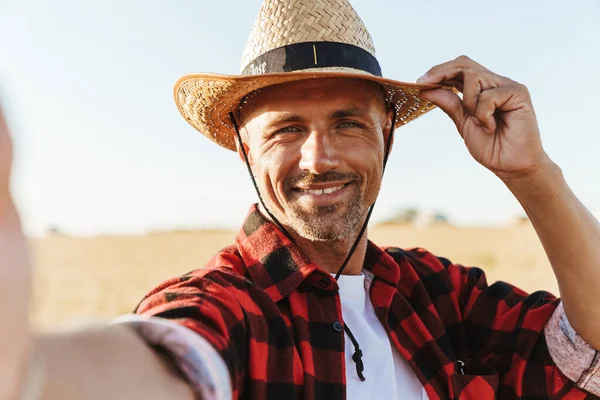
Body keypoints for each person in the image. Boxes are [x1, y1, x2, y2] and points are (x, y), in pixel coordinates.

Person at [1, 0, 600, 399]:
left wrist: (533, 174)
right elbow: (169, 361)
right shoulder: (228, 306)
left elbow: (587, 353)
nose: (321, 160)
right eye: (286, 130)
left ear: (387, 136)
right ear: (244, 150)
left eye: (348, 124)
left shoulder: (437, 295)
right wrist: (30, 373)